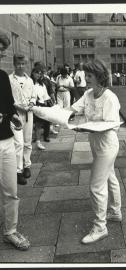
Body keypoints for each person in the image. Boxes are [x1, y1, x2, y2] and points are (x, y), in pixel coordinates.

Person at [70, 59, 122, 244]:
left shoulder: (110, 98)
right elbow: (73, 109)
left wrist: (84, 128)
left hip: (107, 145)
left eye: (89, 76)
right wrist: (51, 112)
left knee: (96, 186)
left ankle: (100, 227)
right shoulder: (88, 94)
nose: (86, 79)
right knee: (110, 177)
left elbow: (110, 125)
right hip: (95, 144)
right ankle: (115, 212)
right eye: (85, 75)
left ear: (100, 77)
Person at [0, 31, 31, 250]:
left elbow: (8, 107)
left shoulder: (1, 76)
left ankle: (10, 231)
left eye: (2, 49)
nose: (1, 52)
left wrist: (14, 119)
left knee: (11, 190)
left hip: (6, 140)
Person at [9, 53, 36, 185]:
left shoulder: (30, 80)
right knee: (18, 143)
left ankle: (27, 166)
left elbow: (33, 96)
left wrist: (31, 103)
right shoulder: (9, 79)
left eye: (23, 64)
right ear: (14, 64)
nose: (20, 66)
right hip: (15, 115)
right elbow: (8, 98)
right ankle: (18, 171)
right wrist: (18, 107)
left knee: (27, 141)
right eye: (18, 64)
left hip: (28, 114)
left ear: (26, 64)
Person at [31, 67, 52, 150]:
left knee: (39, 125)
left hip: (41, 105)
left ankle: (38, 142)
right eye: (36, 73)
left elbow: (45, 96)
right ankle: (30, 141)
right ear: (32, 73)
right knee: (31, 125)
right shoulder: (30, 83)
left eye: (40, 73)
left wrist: (50, 102)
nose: (38, 75)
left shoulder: (42, 84)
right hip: (32, 105)